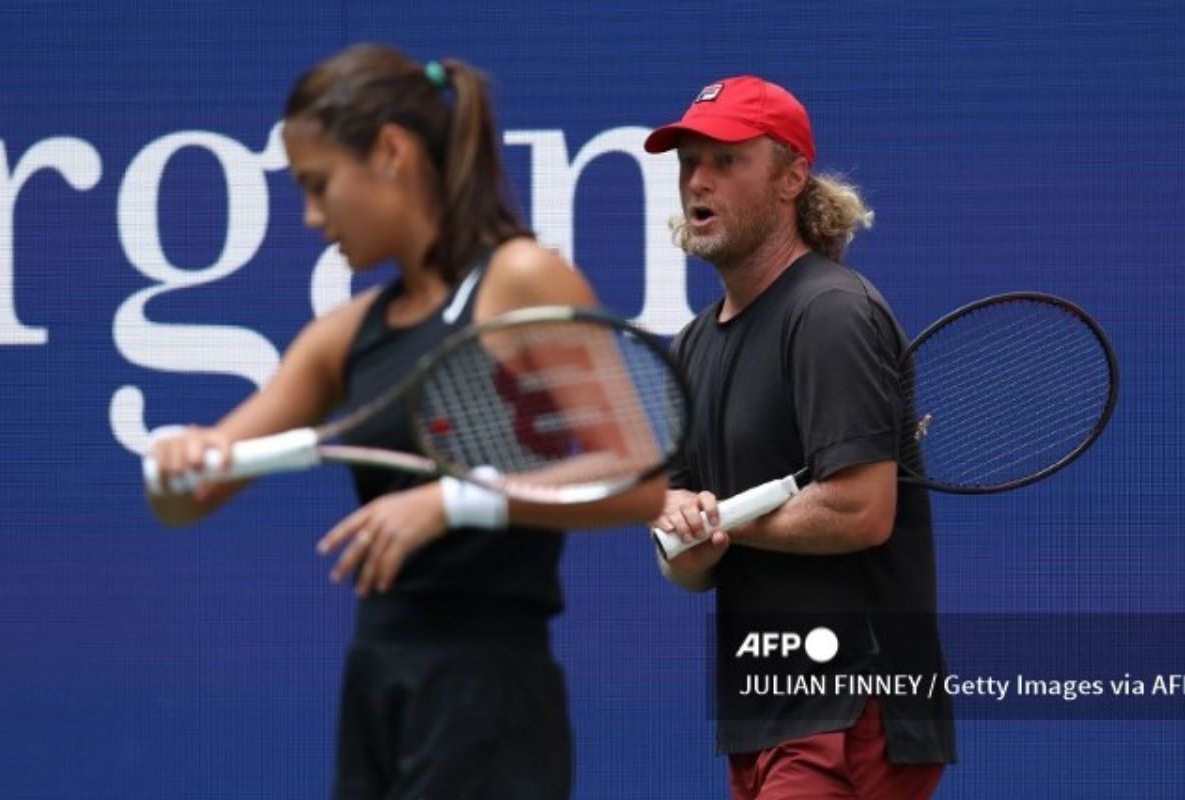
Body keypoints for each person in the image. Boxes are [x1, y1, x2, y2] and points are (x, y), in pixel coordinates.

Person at [145, 44, 666, 800]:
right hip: (379, 686)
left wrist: (454, 499)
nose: (312, 217)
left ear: (391, 152)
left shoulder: (521, 278)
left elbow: (640, 479)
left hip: (490, 694)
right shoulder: (346, 333)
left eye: (318, 185)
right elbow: (189, 498)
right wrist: (181, 458)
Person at [644, 76, 956, 799]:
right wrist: (686, 532)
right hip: (763, 713)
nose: (699, 179)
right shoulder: (694, 346)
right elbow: (694, 569)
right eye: (689, 161)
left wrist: (721, 520)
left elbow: (860, 510)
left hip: (854, 708)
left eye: (726, 160)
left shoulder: (830, 314)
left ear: (792, 177)